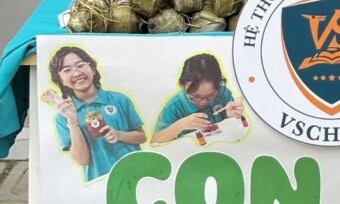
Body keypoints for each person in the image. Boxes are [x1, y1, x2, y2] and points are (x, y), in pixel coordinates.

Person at [47, 47, 146, 182]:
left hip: (135, 174)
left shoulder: (119, 99)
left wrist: (119, 135)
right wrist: (73, 122)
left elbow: (142, 137)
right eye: (67, 70)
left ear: (92, 68)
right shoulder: (63, 116)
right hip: (99, 181)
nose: (76, 73)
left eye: (80, 65)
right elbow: (82, 160)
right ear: (61, 79)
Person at [152, 52, 243, 144]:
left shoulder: (222, 93)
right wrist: (181, 125)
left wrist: (232, 116)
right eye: (195, 96)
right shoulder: (174, 106)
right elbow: (155, 140)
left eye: (210, 95)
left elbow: (233, 128)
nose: (203, 102)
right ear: (182, 84)